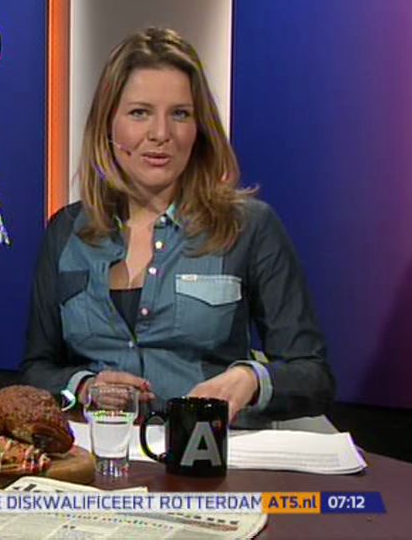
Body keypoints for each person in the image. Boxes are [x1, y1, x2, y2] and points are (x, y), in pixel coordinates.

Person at [21, 27, 334, 428]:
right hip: (103, 454)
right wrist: (83, 387)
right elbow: (37, 370)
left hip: (209, 452)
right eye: (140, 113)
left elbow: (313, 375)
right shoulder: (67, 232)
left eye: (180, 114)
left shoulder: (249, 226)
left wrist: (250, 379)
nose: (161, 134)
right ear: (107, 125)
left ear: (199, 128)